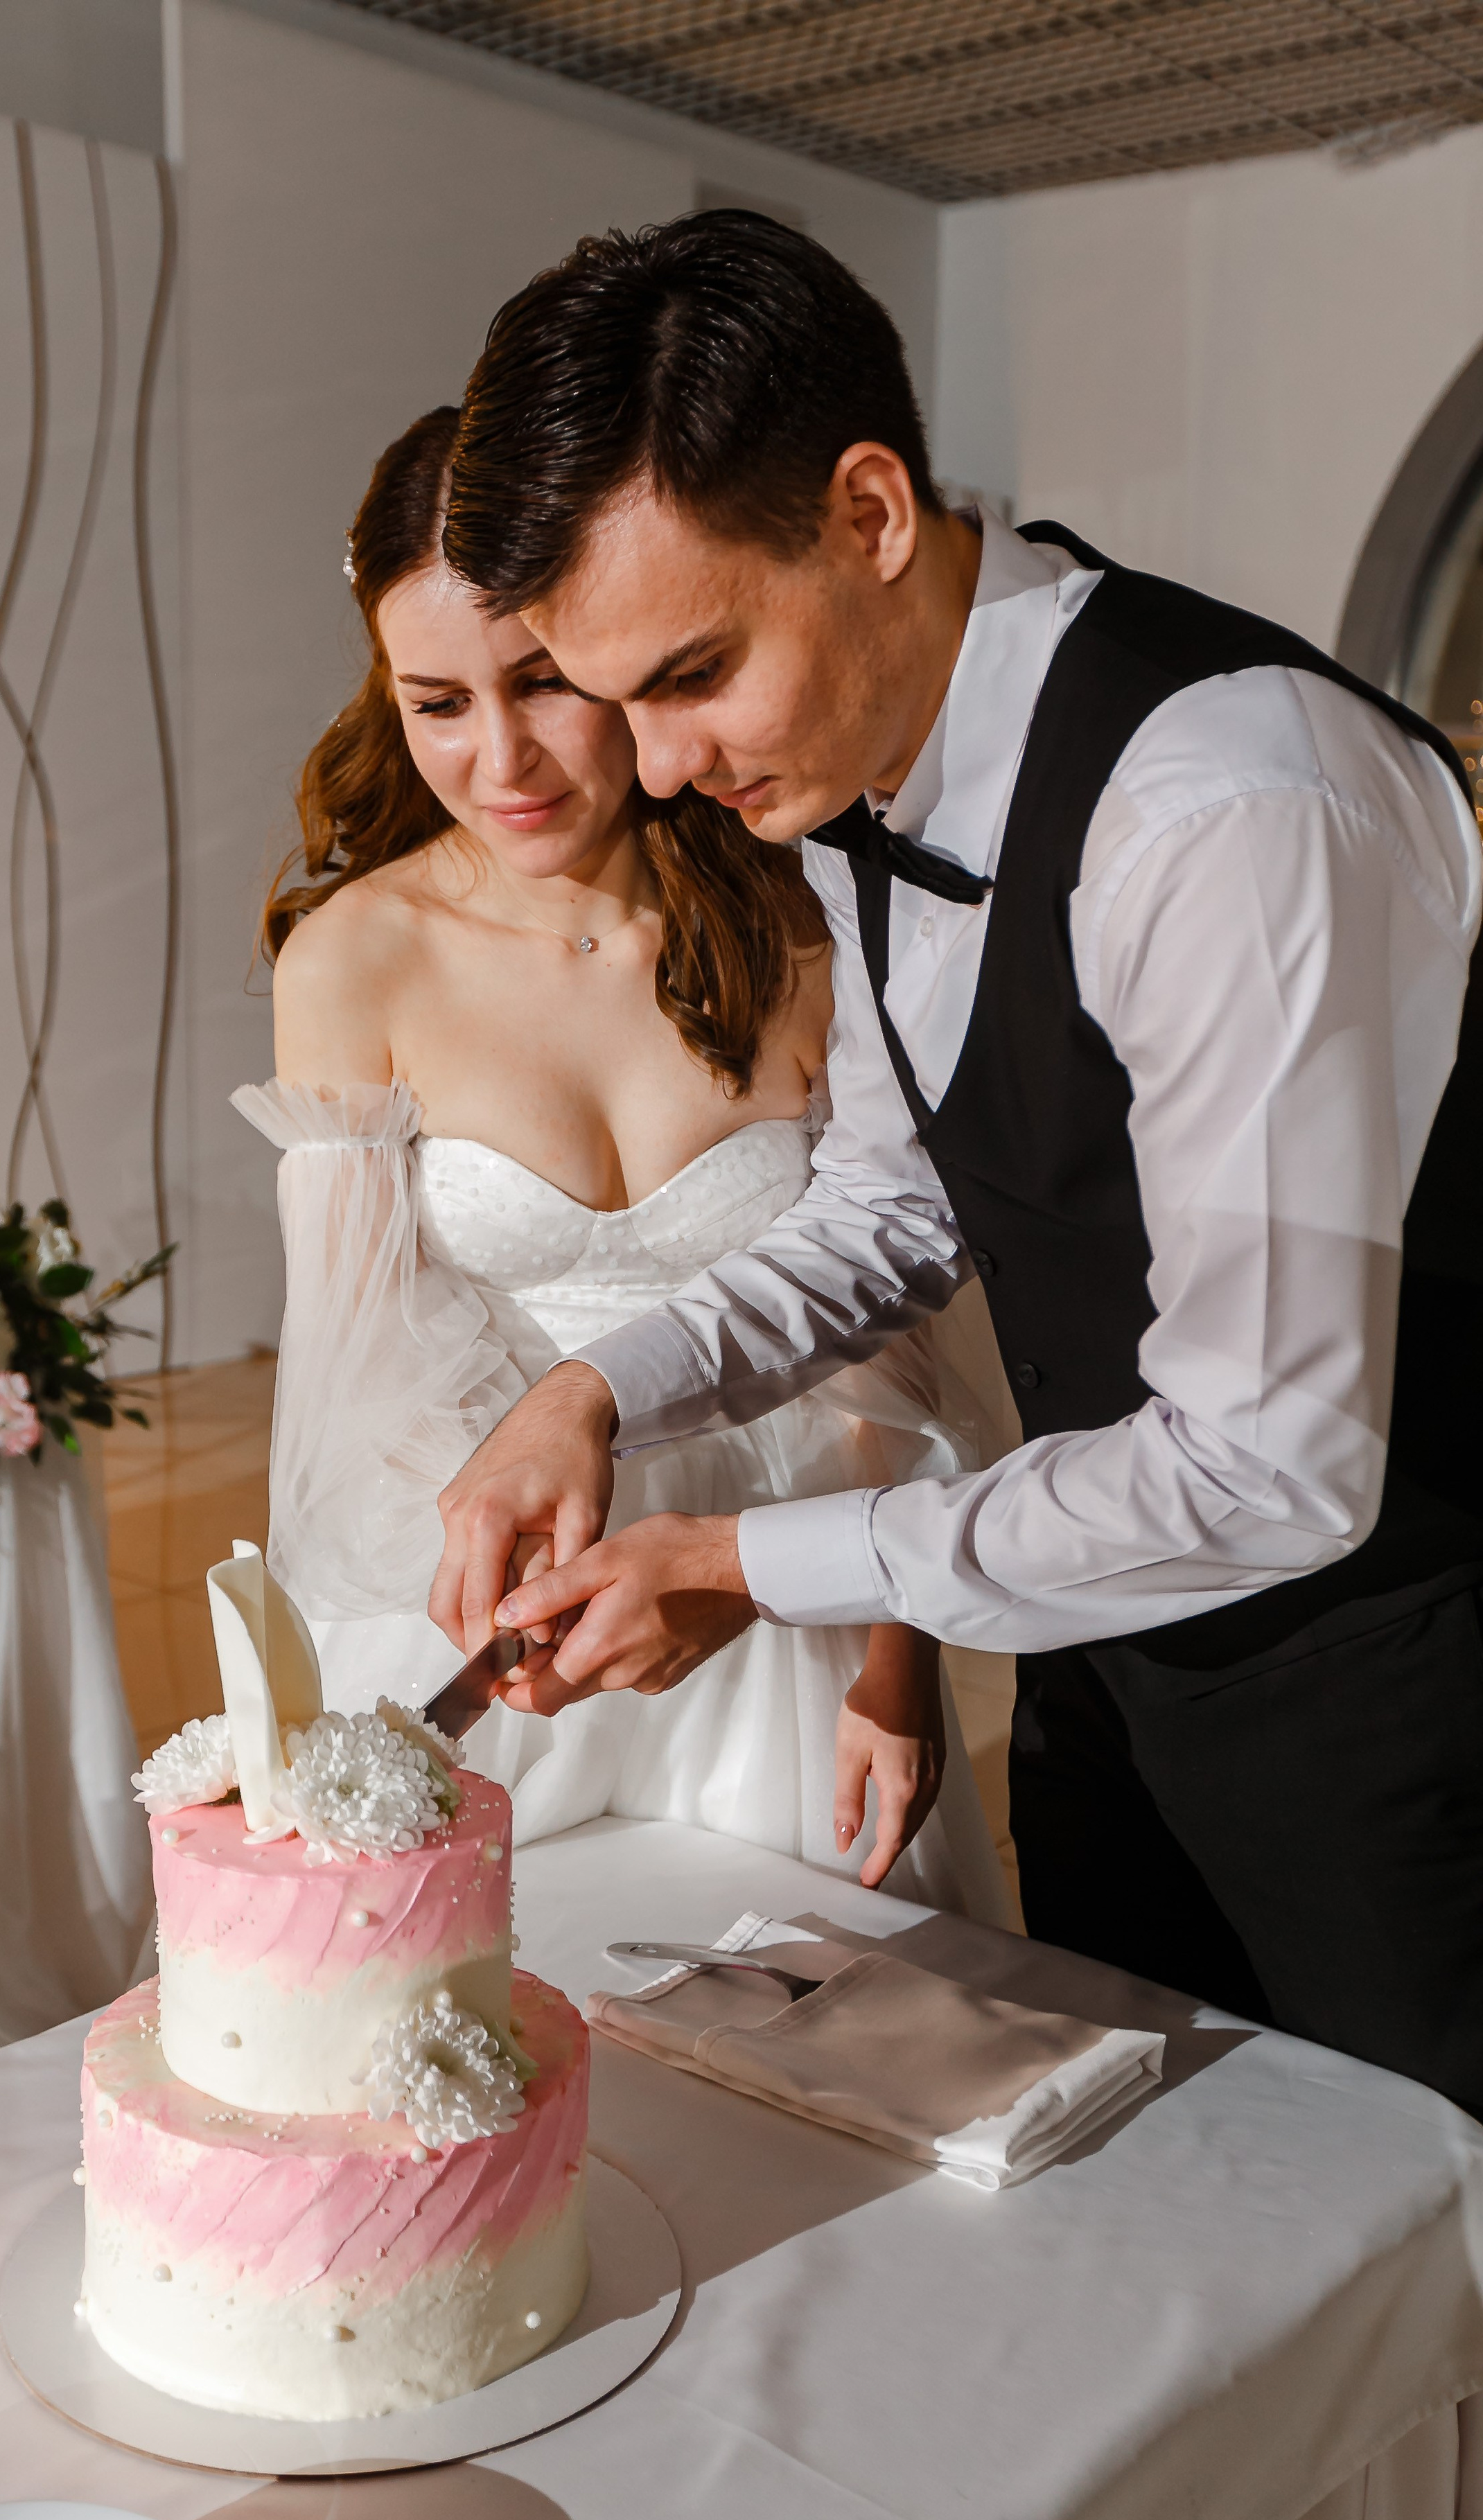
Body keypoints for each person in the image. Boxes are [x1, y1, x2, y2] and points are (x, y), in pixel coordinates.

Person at [428, 212, 1483, 2114]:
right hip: (1114, 1660)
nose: (656, 772)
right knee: (1170, 2239)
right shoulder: (851, 769)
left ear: (870, 512)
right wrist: (602, 1390)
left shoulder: (1228, 808)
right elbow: (903, 1205)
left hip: (1401, 1694)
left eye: (691, 674)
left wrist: (756, 1567)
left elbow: (1272, 1462)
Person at [233, 403, 1010, 1919]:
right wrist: (522, 1609)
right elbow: (352, 1392)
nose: (499, 758)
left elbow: (891, 1343)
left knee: (829, 2053)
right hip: (479, 1616)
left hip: (779, 1605)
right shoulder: (354, 965)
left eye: (540, 684)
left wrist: (889, 1662)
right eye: (436, 701)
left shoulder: (803, 930)